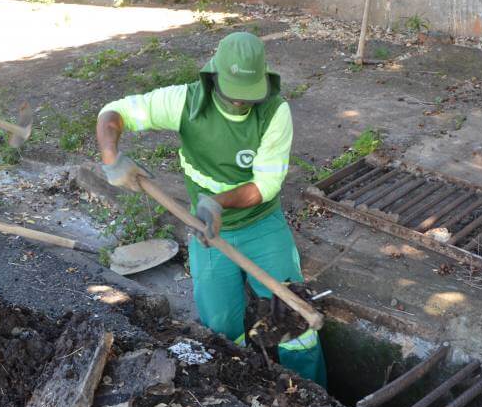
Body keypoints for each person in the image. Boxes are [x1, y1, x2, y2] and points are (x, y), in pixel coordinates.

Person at [95, 32, 327, 386]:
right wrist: (111, 156)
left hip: (261, 225)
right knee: (219, 326)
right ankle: (244, 390)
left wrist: (217, 203)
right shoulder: (185, 102)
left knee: (294, 319)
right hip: (206, 230)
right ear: (213, 77)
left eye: (248, 95)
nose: (240, 102)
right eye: (233, 93)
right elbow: (115, 112)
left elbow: (266, 185)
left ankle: (314, 396)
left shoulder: (274, 112)